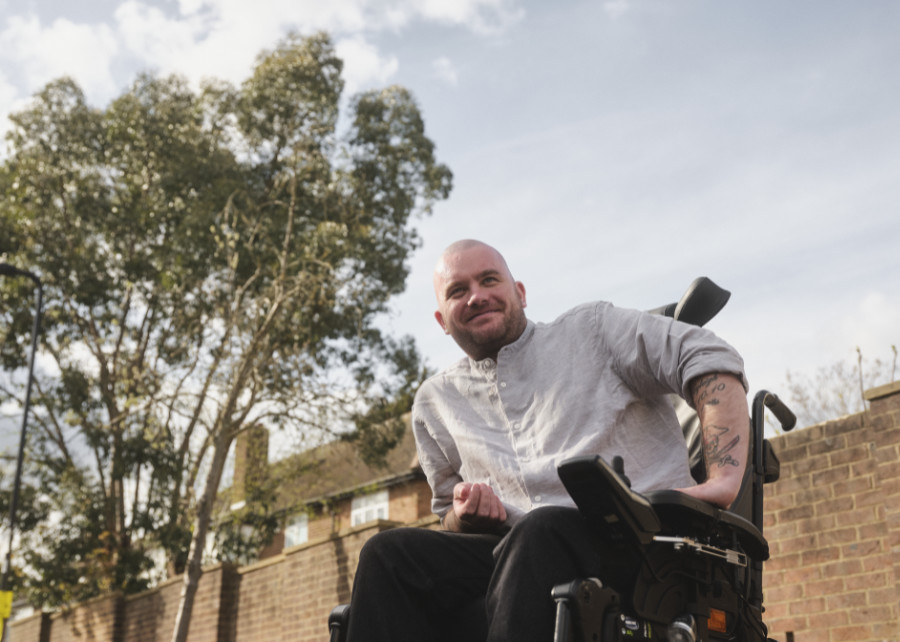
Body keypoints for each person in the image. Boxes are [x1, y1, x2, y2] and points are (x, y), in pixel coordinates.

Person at [344, 239, 749, 642]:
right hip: (513, 556)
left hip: (639, 545)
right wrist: (464, 517)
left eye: (489, 280)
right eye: (458, 291)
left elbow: (708, 357)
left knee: (541, 529)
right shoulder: (435, 401)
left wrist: (723, 480)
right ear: (442, 319)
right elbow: (446, 516)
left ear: (519, 292)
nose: (477, 297)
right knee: (386, 555)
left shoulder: (592, 330)